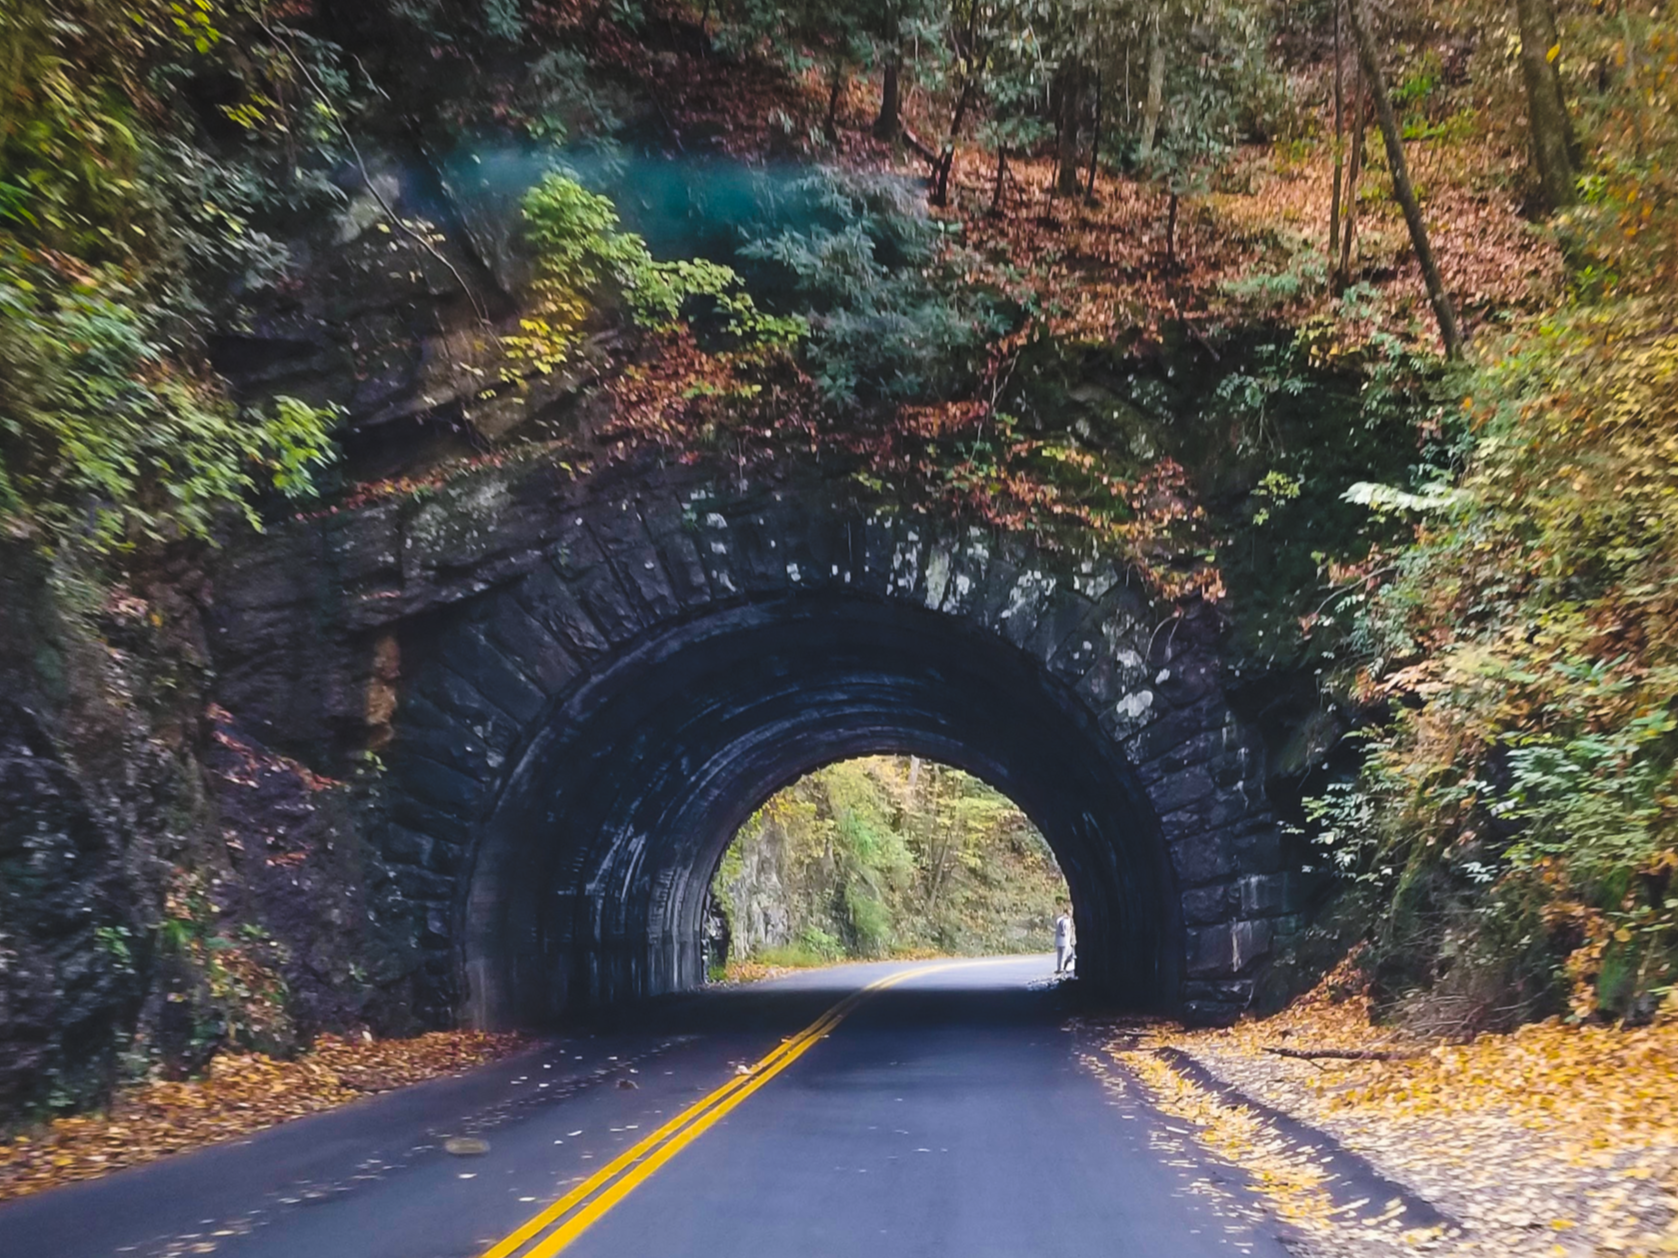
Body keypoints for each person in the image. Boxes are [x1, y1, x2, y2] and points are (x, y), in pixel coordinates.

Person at [1054, 909, 1075, 974]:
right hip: (1065, 940)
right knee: (1066, 955)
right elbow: (1065, 932)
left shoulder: (1059, 920)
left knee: (1060, 956)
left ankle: (1060, 968)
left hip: (1059, 940)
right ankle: (1062, 968)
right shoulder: (1067, 921)